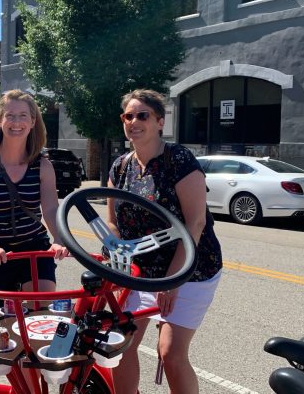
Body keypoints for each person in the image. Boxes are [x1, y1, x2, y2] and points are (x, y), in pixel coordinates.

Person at [107, 89, 222, 394]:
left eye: (142, 115)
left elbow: (194, 222)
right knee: (120, 345)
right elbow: (111, 223)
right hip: (140, 272)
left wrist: (172, 280)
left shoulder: (179, 159)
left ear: (160, 121)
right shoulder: (120, 167)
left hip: (190, 268)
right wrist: (117, 263)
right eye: (128, 116)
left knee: (170, 352)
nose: (134, 121)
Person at [0, 89, 68, 393]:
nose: (16, 122)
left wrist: (59, 240)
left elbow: (50, 208)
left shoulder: (42, 165)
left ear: (33, 122)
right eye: (10, 115)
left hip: (33, 249)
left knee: (37, 328)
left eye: (23, 116)